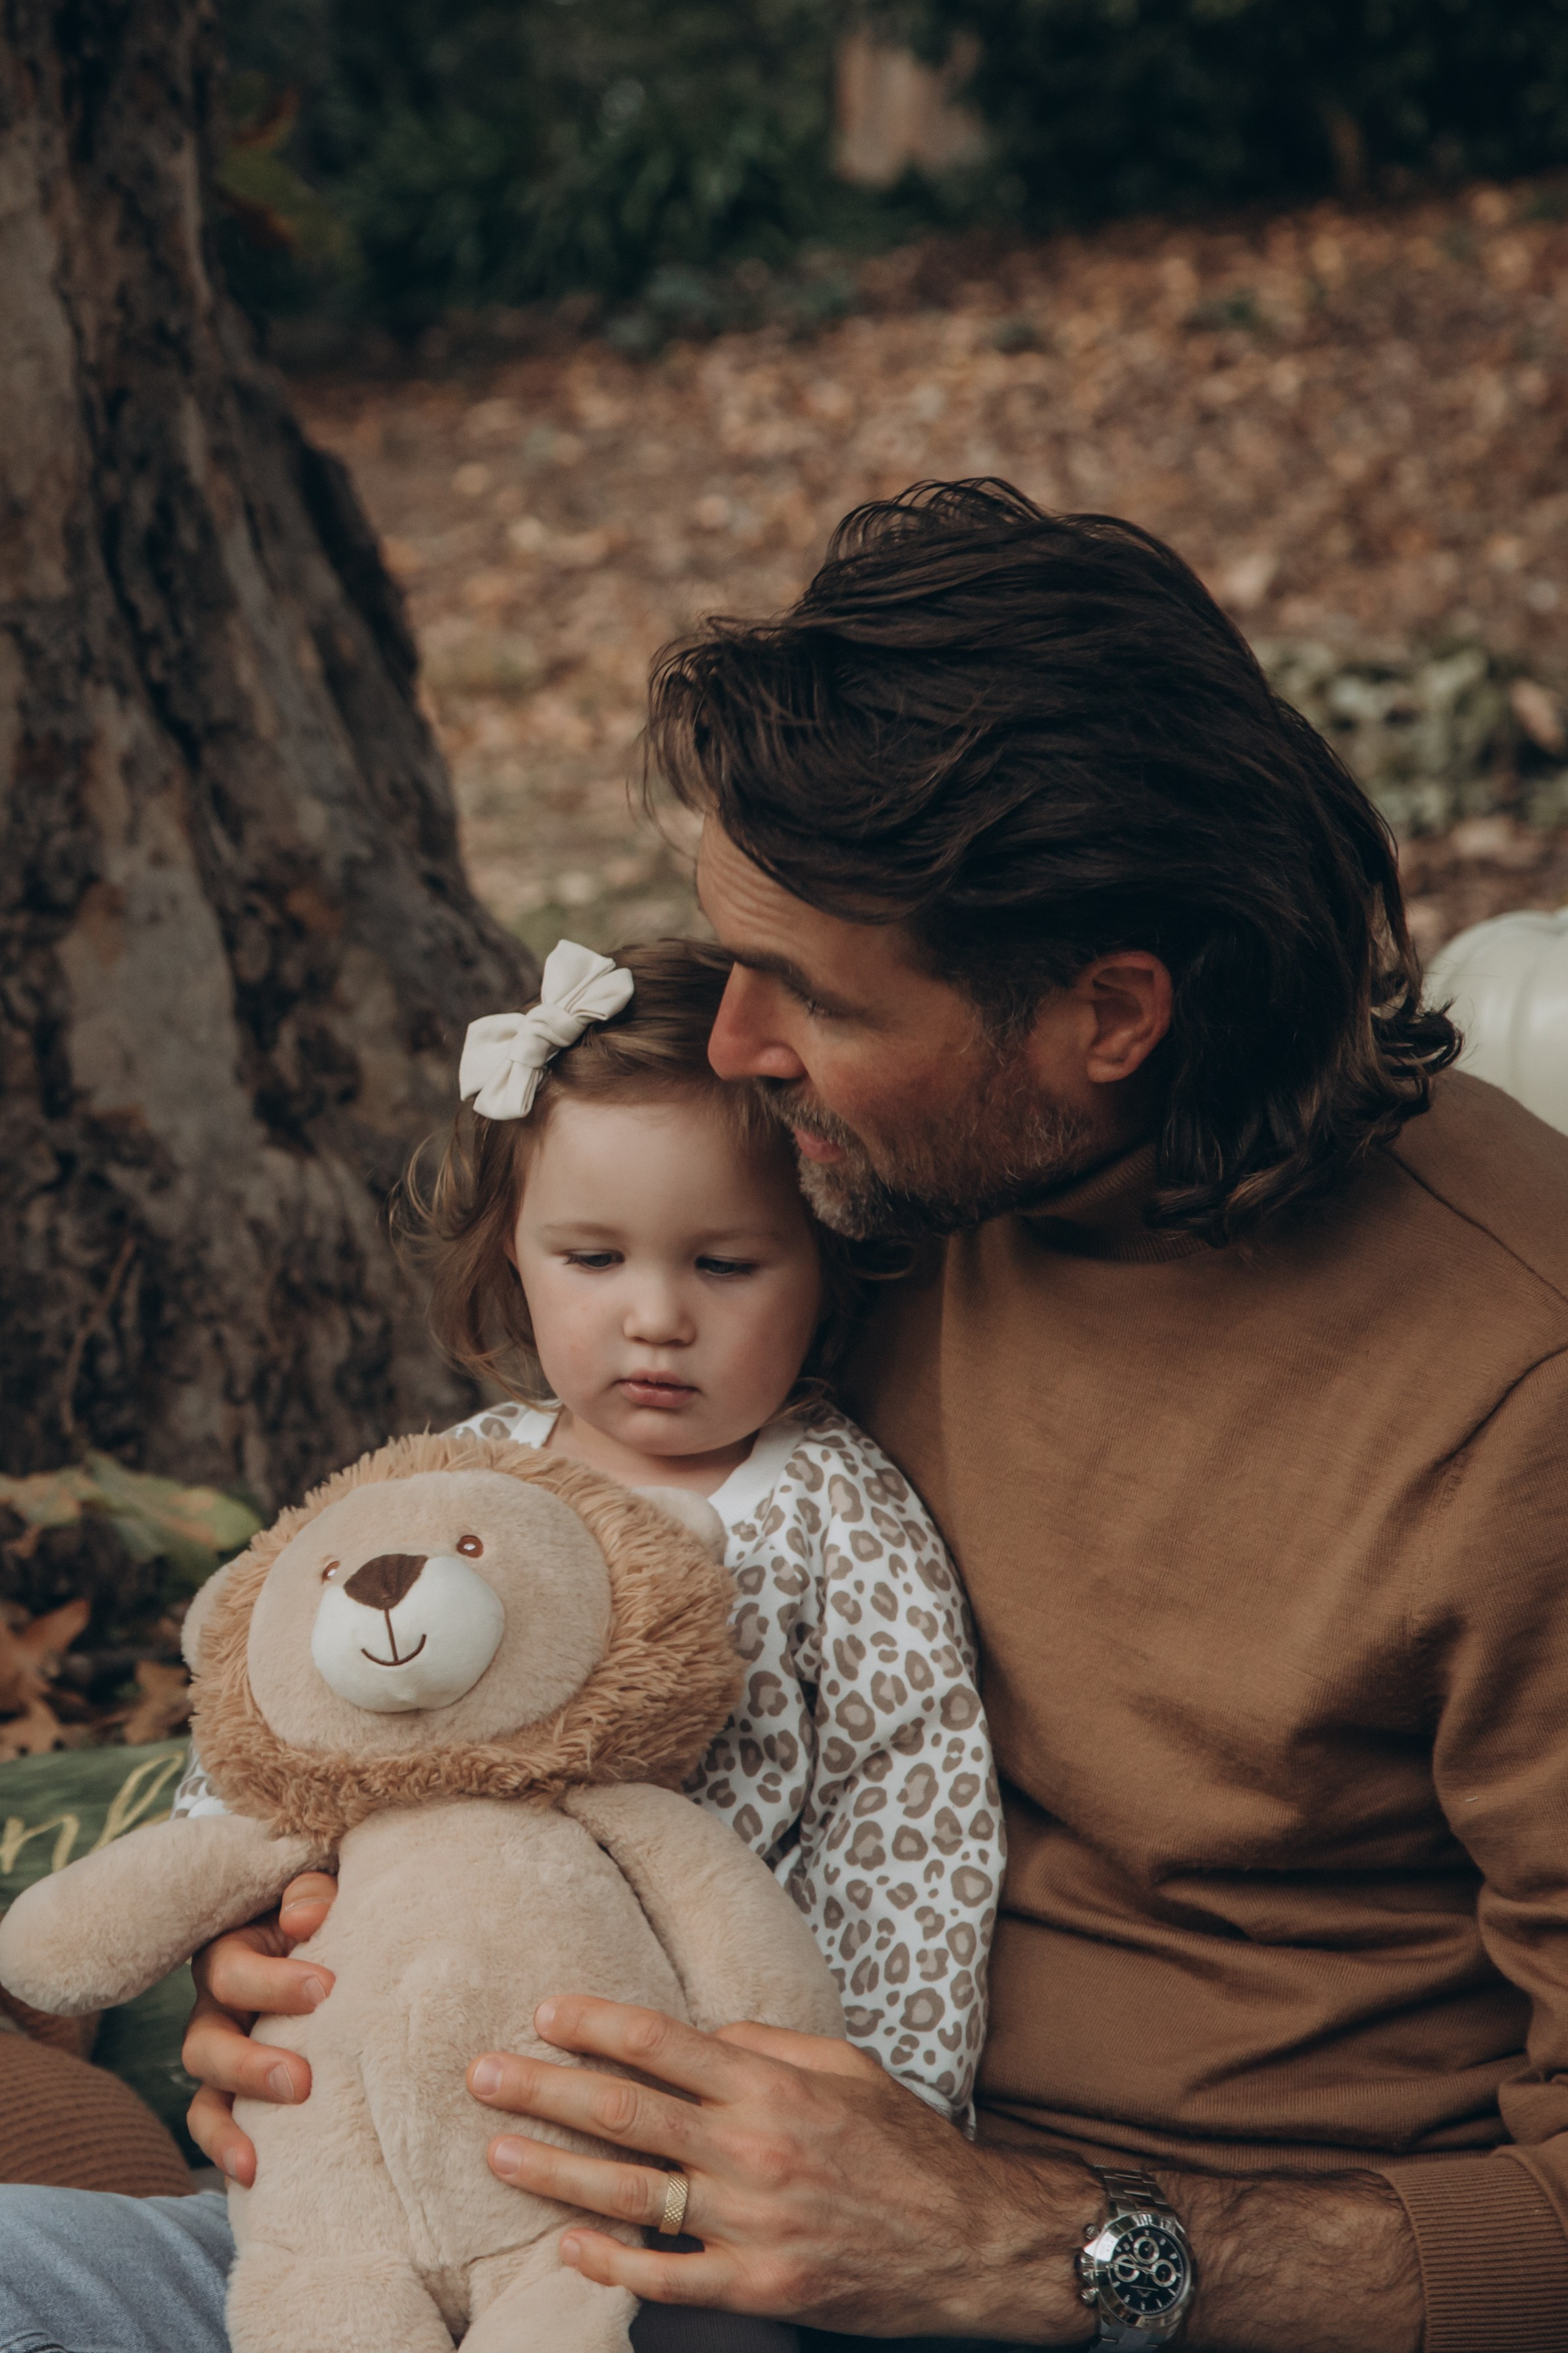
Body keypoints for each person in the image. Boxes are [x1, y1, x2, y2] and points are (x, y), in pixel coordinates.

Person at [7, 476, 1568, 2352]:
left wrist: (1037, 2251)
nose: (739, 1050)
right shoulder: (856, 1204)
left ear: (1112, 1016)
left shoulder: (1516, 1403)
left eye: (808, 995)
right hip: (510, 2198)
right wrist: (327, 1943)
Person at [0, 931, 998, 2353]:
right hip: (363, 2146)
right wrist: (240, 1928)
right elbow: (278, 1735)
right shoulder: (453, 1481)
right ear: (510, 1256)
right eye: (591, 1257)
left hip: (651, 2174)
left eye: (724, 1263)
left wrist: (869, 2115)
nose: (654, 1318)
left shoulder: (839, 1518)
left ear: (827, 1266)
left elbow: (912, 1821)